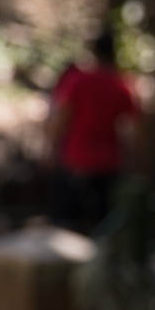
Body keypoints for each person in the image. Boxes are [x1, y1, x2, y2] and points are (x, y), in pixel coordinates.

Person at [47, 29, 139, 234]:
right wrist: (131, 160)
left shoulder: (78, 80)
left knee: (69, 224)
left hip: (76, 159)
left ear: (94, 52)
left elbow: (62, 118)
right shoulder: (122, 84)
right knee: (102, 225)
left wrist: (51, 150)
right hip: (109, 162)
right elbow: (131, 129)